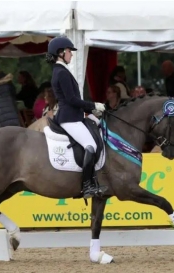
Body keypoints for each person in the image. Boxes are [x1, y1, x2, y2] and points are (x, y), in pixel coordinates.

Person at [45, 36, 107, 199]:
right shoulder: (61, 73)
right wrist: (93, 105)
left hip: (74, 115)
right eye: (69, 52)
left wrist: (92, 111)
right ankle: (87, 185)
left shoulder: (61, 71)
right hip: (69, 118)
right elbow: (72, 100)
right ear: (60, 53)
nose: (71, 55)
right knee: (90, 145)